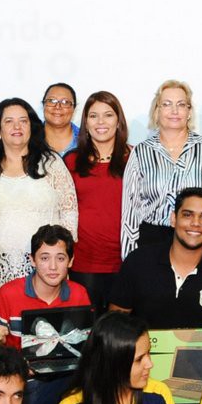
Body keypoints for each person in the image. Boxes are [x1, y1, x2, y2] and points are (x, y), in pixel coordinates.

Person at [0, 98, 77, 292]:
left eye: (23, 120)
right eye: (9, 121)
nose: (17, 126)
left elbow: (69, 211)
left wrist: (61, 255)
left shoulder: (51, 163)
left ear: (31, 127)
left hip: (47, 270)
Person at [110, 187, 202, 329]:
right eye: (187, 215)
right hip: (148, 352)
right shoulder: (139, 262)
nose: (195, 223)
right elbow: (115, 326)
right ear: (173, 219)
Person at [121, 79, 202, 258]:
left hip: (197, 240)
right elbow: (130, 212)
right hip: (152, 242)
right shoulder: (141, 151)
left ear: (189, 112)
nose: (174, 111)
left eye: (181, 104)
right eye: (166, 104)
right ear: (157, 111)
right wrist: (129, 258)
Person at [0, 224, 92, 404]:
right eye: (45, 258)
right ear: (32, 260)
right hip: (22, 378)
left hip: (68, 375)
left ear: (71, 261)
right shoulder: (8, 294)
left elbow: (86, 347)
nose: (53, 267)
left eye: (61, 258)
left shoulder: (79, 294)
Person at [66, 91, 130, 313]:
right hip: (84, 262)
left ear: (118, 121)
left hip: (125, 262)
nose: (100, 122)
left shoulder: (135, 159)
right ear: (85, 123)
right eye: (93, 116)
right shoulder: (71, 161)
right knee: (86, 335)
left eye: (108, 115)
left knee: (120, 337)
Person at [41, 82, 79, 154]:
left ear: (73, 108)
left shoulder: (88, 141)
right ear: (43, 105)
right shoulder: (28, 139)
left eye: (65, 102)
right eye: (52, 101)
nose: (57, 107)